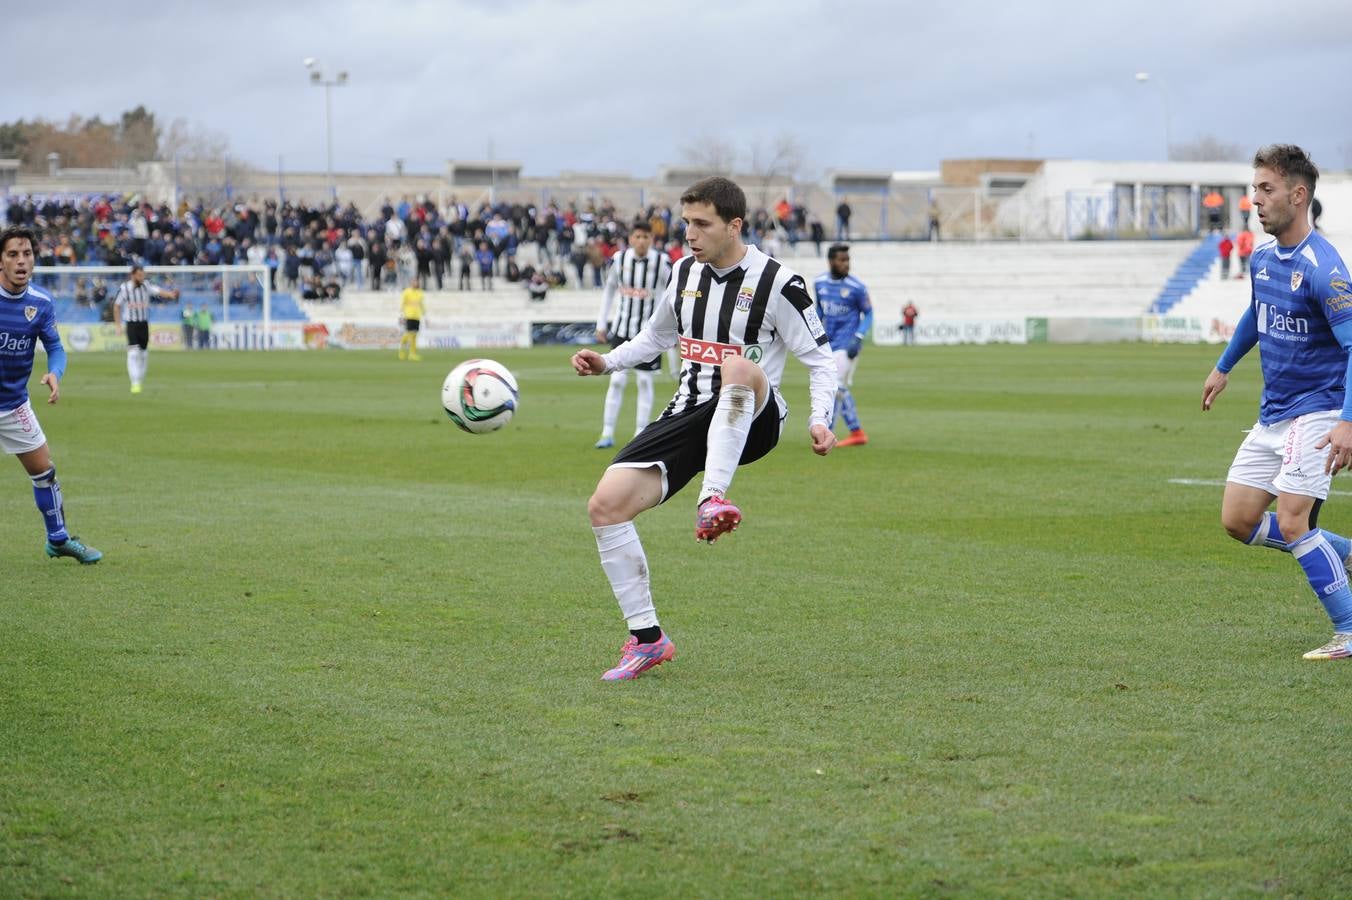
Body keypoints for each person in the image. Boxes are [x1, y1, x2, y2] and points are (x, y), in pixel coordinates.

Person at [570, 177, 837, 681]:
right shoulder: (682, 272)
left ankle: (713, 497)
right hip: (688, 412)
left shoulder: (780, 281)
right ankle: (647, 640)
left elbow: (821, 362)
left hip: (755, 415)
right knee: (605, 507)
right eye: (686, 222)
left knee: (737, 368)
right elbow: (656, 336)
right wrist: (606, 363)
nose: (688, 233)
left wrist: (819, 418)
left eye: (701, 224)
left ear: (734, 225)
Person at [1201, 144, 1352, 661]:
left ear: (1298, 194)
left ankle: (1349, 631)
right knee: (1238, 520)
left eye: (1266, 190)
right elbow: (1256, 315)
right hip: (1274, 412)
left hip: (1320, 410)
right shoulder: (1264, 258)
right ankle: (1347, 555)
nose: (1255, 201)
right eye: (1254, 189)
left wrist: (1348, 423)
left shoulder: (1325, 270)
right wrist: (1224, 367)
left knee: (1293, 522)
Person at [0, 226, 101, 563]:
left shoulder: (40, 303)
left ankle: (58, 539)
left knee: (45, 472)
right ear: (1, 261)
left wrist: (55, 374)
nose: (21, 261)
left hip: (13, 405)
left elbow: (56, 347)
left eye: (27, 254)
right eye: (13, 254)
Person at [591, 222, 672, 449]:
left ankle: (639, 434)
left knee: (645, 381)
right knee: (616, 380)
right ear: (631, 238)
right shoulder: (619, 260)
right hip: (622, 329)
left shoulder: (662, 262)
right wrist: (601, 323)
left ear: (652, 239)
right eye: (638, 236)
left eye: (646, 236)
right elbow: (608, 290)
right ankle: (607, 432)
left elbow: (672, 293)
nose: (642, 241)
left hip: (649, 332)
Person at [813, 244, 874, 447]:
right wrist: (813, 333)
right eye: (842, 260)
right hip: (828, 343)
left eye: (848, 260)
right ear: (831, 261)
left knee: (836, 384)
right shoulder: (820, 283)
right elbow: (819, 311)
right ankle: (854, 431)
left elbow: (869, 313)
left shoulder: (857, 287)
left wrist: (858, 337)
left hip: (847, 344)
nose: (846, 264)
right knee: (836, 387)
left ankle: (838, 430)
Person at [113, 263, 180, 394]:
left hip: (144, 324)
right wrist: (118, 325)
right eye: (139, 275)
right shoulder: (124, 288)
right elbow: (116, 306)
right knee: (133, 353)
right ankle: (135, 383)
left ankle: (140, 380)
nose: (142, 277)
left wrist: (171, 295)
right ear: (133, 275)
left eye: (143, 275)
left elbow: (159, 291)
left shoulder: (146, 286)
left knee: (143, 354)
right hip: (131, 324)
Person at [399, 278, 425, 361]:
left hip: (417, 316)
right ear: (411, 283)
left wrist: (425, 315)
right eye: (414, 282)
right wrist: (401, 316)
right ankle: (402, 349)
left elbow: (421, 304)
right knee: (410, 334)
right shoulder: (406, 292)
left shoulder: (420, 292)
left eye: (416, 282)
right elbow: (403, 304)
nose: (415, 283)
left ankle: (412, 354)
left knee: (414, 335)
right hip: (409, 315)